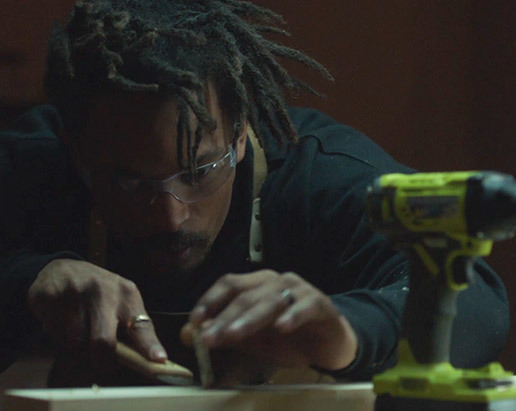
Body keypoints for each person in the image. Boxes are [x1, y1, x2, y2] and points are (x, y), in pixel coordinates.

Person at [0, 0, 509, 383]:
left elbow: (475, 303)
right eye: (130, 181)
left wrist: (346, 330)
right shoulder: (29, 166)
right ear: (75, 148)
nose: (170, 218)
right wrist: (27, 278)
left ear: (242, 131)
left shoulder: (321, 177)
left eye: (200, 170)